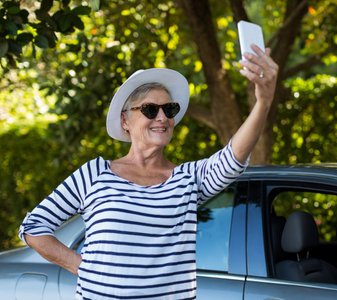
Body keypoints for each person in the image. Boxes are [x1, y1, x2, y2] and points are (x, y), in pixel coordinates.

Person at [19, 44, 278, 299]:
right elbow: (34, 227)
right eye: (150, 109)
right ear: (125, 121)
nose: (162, 117)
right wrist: (85, 268)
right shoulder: (94, 174)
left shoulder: (187, 179)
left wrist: (263, 102)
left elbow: (234, 155)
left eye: (169, 109)